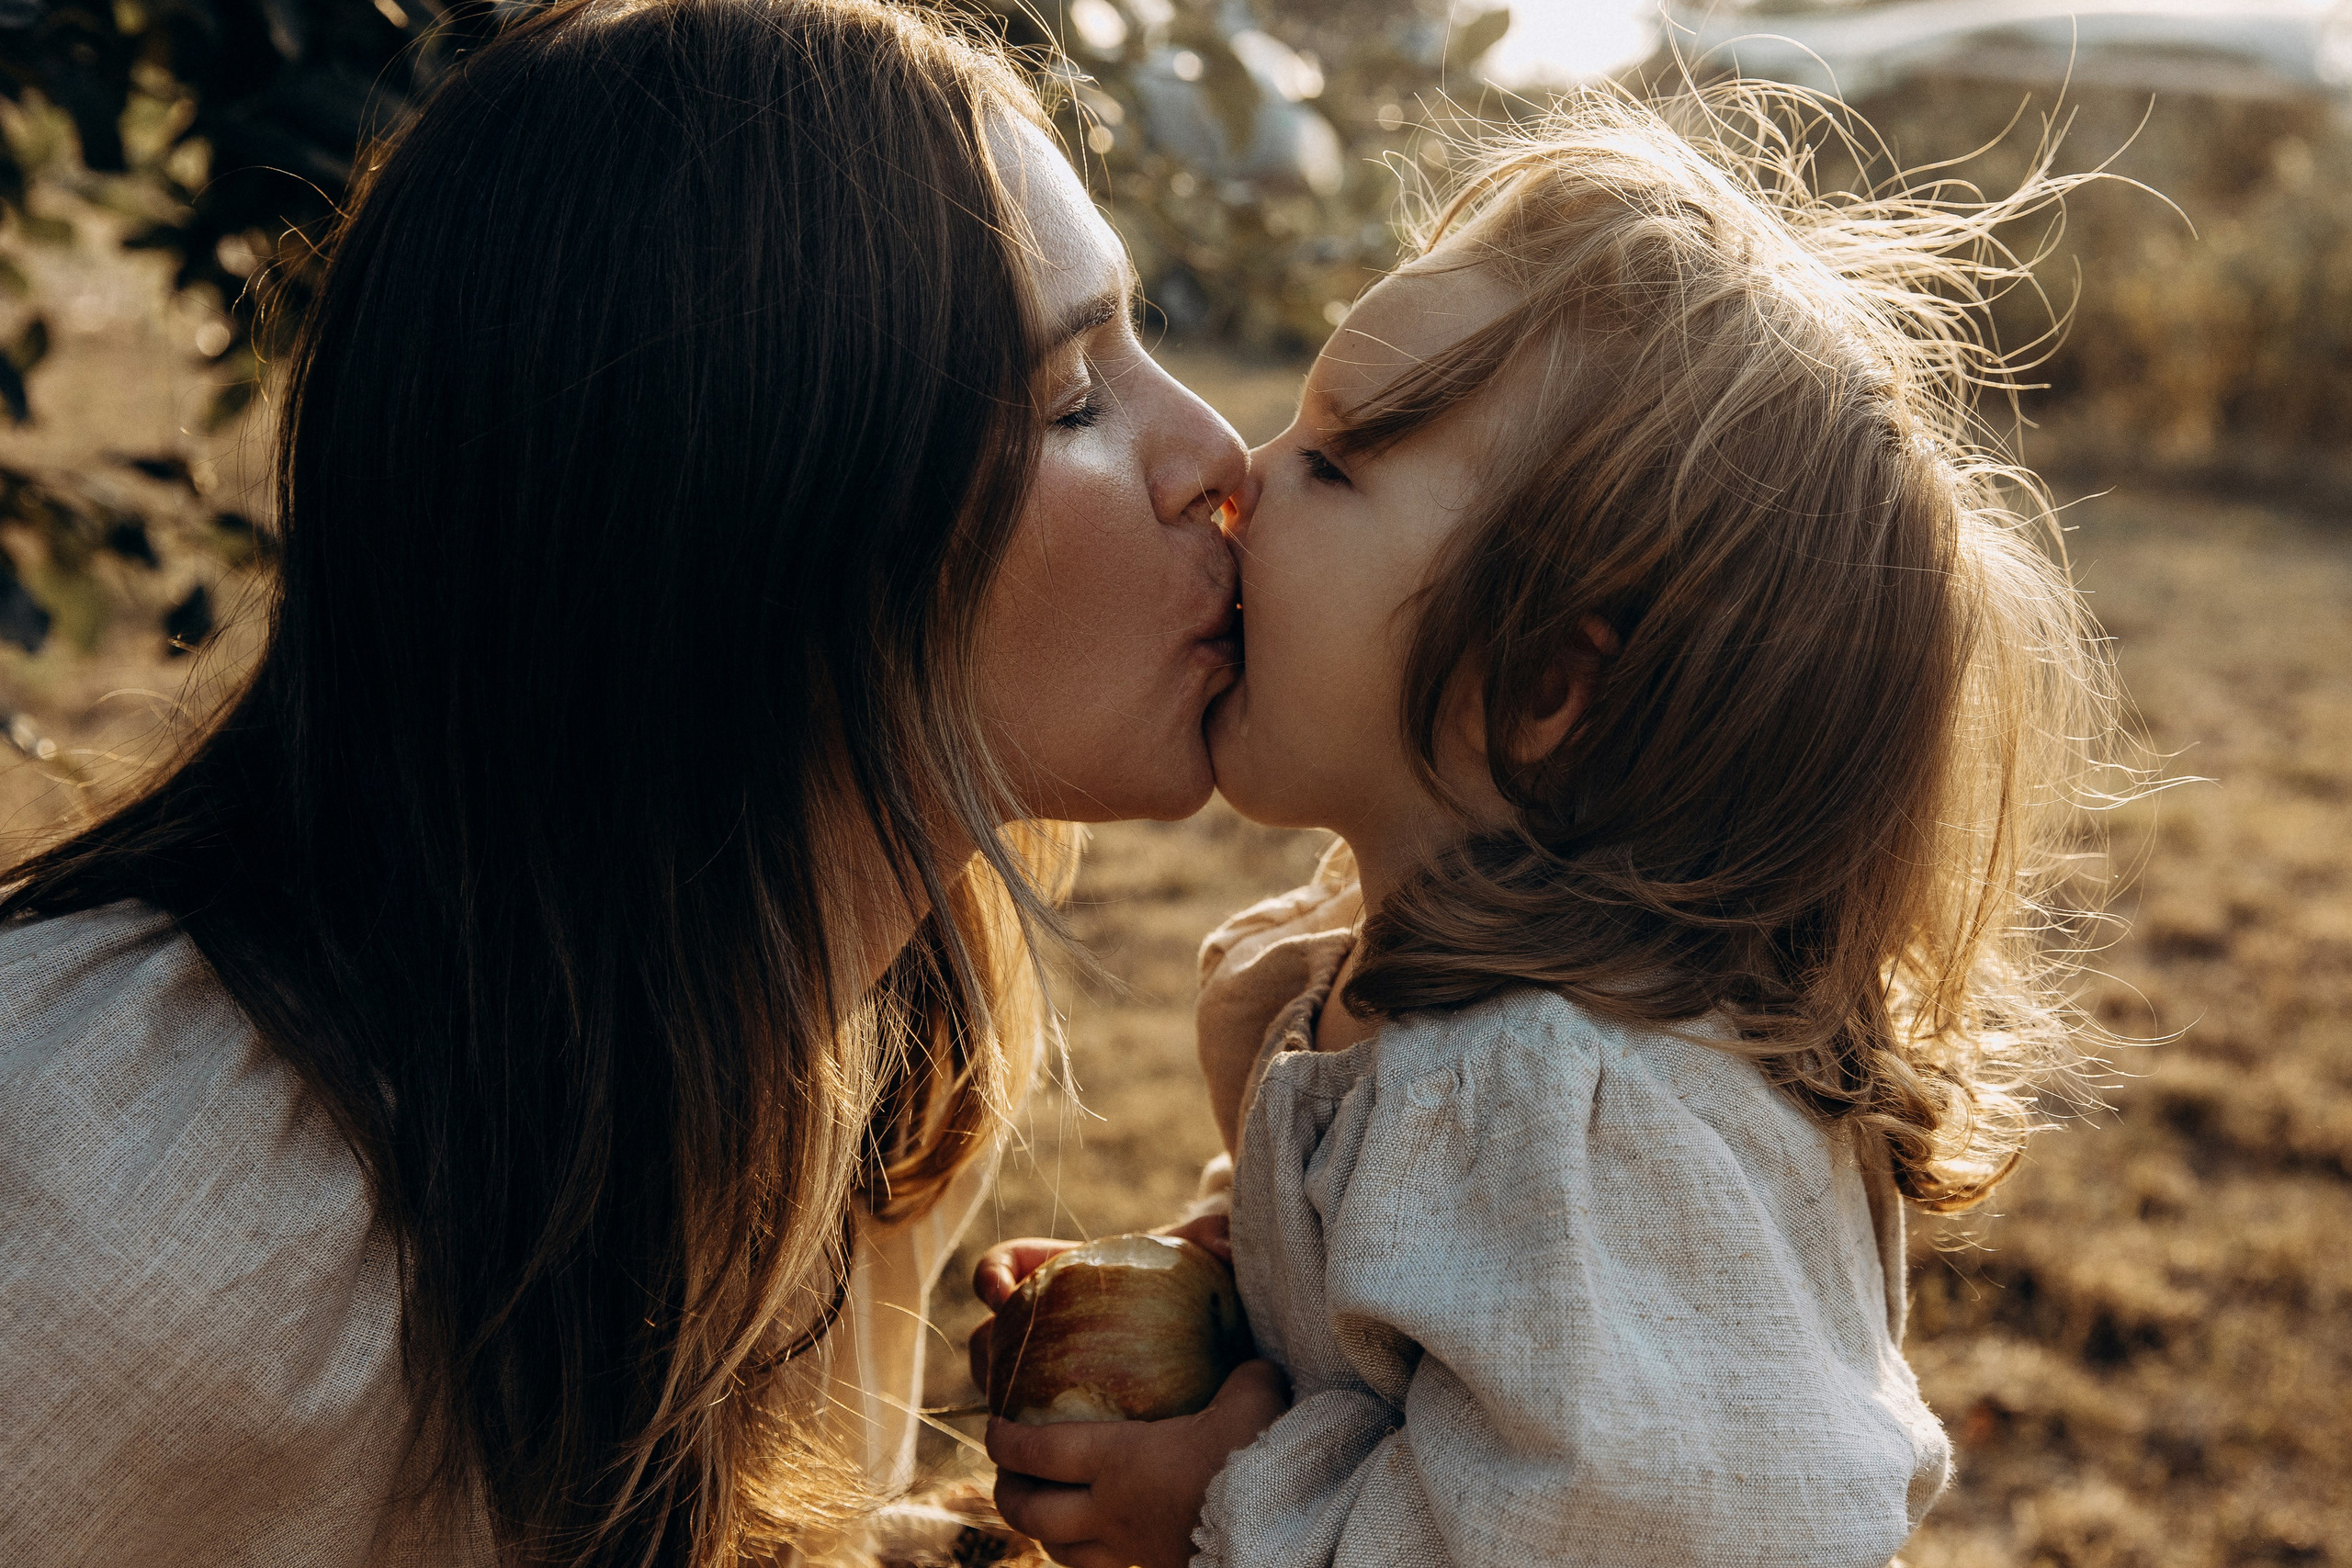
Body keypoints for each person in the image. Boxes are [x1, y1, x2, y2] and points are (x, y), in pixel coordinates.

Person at [0, 2, 1258, 1563]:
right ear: (747, 520)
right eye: (1072, 400)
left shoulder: (893, 1039)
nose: (1221, 459)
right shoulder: (134, 1213)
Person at [978, 87, 2119, 1566]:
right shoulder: (1432, 1006)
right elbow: (1416, 1293)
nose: (1244, 481)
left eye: (1332, 461)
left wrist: (1221, 1509)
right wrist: (1218, 1281)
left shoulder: (1573, 1117)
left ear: (1539, 688)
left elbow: (1611, 1533)